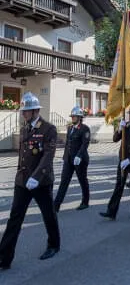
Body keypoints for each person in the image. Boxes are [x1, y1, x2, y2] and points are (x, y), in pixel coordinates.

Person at [0, 92, 60, 270]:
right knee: (15, 218)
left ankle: (54, 244)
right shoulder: (25, 128)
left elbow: (48, 155)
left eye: (26, 111)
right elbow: (23, 156)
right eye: (23, 111)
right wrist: (21, 176)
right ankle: (4, 256)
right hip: (23, 181)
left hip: (40, 181)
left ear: (35, 111)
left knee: (48, 214)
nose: (23, 114)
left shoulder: (48, 129)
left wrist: (36, 177)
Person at [99, 103, 130, 220]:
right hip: (123, 160)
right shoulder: (126, 127)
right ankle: (111, 211)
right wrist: (119, 129)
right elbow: (115, 139)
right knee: (119, 186)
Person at [54, 106, 91, 212]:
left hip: (80, 160)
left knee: (82, 181)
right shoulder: (70, 128)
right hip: (69, 160)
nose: (73, 118)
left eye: (75, 116)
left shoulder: (84, 129)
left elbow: (85, 144)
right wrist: (65, 157)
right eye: (72, 116)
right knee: (64, 181)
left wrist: (79, 156)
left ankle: (85, 202)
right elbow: (68, 144)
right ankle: (56, 205)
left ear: (80, 117)